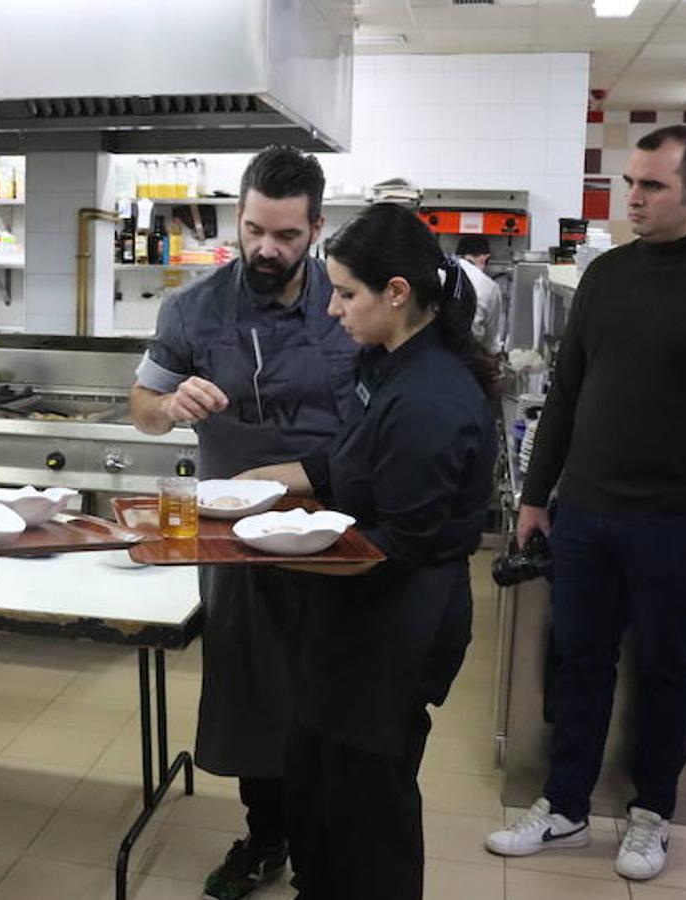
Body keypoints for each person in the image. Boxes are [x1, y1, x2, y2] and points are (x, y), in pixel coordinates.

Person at [484, 126, 686, 881]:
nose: (633, 198)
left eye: (650, 186)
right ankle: (563, 806)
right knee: (578, 661)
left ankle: (652, 815)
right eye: (630, 183)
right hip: (585, 512)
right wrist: (533, 497)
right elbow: (566, 395)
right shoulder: (606, 277)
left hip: (681, 522)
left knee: (663, 669)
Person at [241, 202, 497, 899]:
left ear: (397, 293)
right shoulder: (386, 365)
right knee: (317, 782)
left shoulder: (432, 399)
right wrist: (252, 488)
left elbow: (397, 545)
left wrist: (265, 550)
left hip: (395, 627)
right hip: (350, 620)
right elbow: (344, 461)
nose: (333, 309)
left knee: (366, 805)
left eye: (347, 294)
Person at [129, 146, 358, 899]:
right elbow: (145, 409)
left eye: (287, 236)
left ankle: (330, 842)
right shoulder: (193, 309)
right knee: (254, 693)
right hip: (234, 538)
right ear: (239, 215)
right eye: (255, 229)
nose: (267, 249)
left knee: (335, 687)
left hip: (338, 533)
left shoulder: (347, 303)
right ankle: (267, 838)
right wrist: (169, 407)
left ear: (317, 229)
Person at [455, 234, 504, 353]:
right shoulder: (490, 286)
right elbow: (492, 340)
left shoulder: (440, 271)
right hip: (467, 353)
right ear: (485, 258)